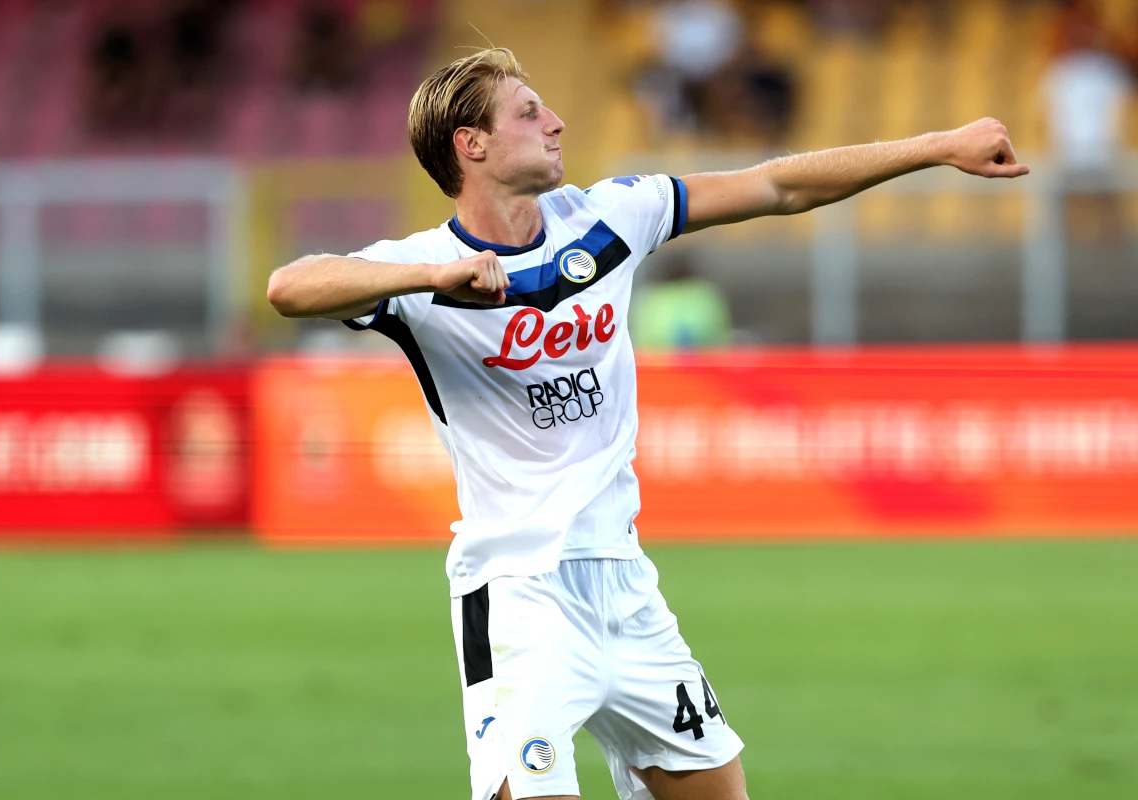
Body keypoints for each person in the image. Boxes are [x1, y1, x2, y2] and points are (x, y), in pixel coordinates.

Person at [266, 47, 1027, 800]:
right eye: (529, 113)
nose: (557, 122)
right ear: (473, 145)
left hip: (628, 591)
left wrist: (938, 147)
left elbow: (777, 184)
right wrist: (431, 277)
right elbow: (290, 287)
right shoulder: (421, 268)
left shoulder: (610, 218)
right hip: (520, 600)